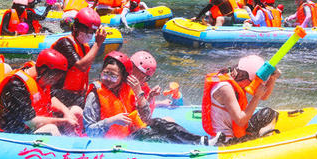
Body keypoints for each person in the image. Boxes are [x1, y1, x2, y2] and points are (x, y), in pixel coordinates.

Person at [84, 52, 220, 145]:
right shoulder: (95, 95)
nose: (108, 79)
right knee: (156, 137)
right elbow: (90, 131)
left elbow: (145, 118)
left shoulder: (126, 90)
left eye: (113, 76)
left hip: (132, 133)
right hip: (110, 143)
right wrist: (111, 120)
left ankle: (202, 141)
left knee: (162, 124)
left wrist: (139, 93)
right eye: (105, 74)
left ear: (122, 78)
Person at [0, 48, 83, 135]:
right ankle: (64, 148)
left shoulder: (43, 78)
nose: (55, 81)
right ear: (43, 70)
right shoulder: (16, 86)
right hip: (18, 133)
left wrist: (66, 112)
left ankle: (77, 142)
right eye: (54, 77)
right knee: (51, 128)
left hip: (37, 126)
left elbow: (50, 98)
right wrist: (63, 122)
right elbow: (31, 122)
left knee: (76, 111)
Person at [202, 55, 280, 144]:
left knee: (269, 114)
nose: (254, 85)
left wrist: (273, 78)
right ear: (244, 76)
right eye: (253, 82)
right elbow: (240, 121)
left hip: (236, 134)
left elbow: (264, 96)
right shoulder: (225, 88)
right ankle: (263, 145)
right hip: (226, 140)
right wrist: (256, 97)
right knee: (267, 116)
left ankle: (260, 140)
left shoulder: (237, 78)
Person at [50, 7, 107, 107]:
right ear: (75, 27)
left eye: (92, 32)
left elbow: (84, 73)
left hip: (75, 95)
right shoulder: (65, 43)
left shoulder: (85, 47)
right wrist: (98, 43)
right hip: (58, 94)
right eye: (86, 31)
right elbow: (82, 66)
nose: (89, 34)